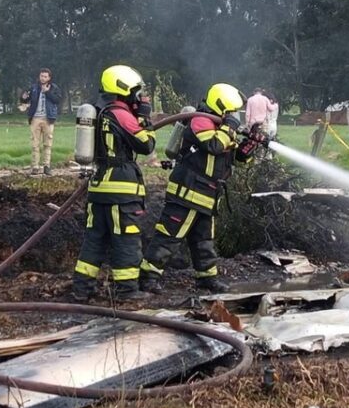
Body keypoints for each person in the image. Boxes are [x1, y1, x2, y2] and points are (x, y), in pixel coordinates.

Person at [139, 83, 263, 294]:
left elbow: (237, 159)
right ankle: (148, 278)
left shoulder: (223, 128)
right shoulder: (201, 121)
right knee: (169, 236)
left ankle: (207, 278)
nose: (234, 115)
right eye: (231, 111)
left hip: (206, 196)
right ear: (221, 106)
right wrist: (229, 128)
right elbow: (214, 146)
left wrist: (251, 143)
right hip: (186, 193)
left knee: (203, 241)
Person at [71, 65, 156, 302]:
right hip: (121, 191)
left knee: (94, 241)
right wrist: (144, 118)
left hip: (98, 188)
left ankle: (82, 289)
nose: (138, 97)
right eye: (136, 91)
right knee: (126, 240)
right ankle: (127, 291)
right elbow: (146, 144)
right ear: (123, 88)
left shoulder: (98, 111)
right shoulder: (121, 114)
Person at [20, 68, 63, 175]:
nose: (43, 78)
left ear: (49, 78)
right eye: (41, 76)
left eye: (45, 76)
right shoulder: (34, 87)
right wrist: (23, 97)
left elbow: (57, 100)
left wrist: (47, 92)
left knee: (47, 143)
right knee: (35, 143)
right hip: (35, 118)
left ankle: (46, 166)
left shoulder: (54, 88)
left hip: (48, 118)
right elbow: (25, 99)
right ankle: (35, 166)